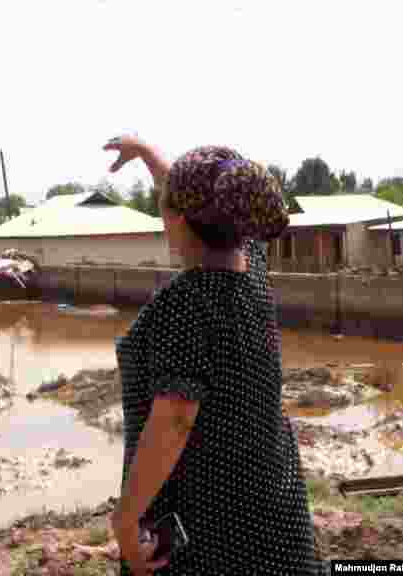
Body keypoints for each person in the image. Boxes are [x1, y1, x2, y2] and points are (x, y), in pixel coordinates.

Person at [104, 136, 322, 575]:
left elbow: (176, 419)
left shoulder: (185, 304)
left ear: (177, 219)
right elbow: (203, 203)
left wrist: (125, 519)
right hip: (272, 508)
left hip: (209, 525)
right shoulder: (253, 270)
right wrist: (149, 155)